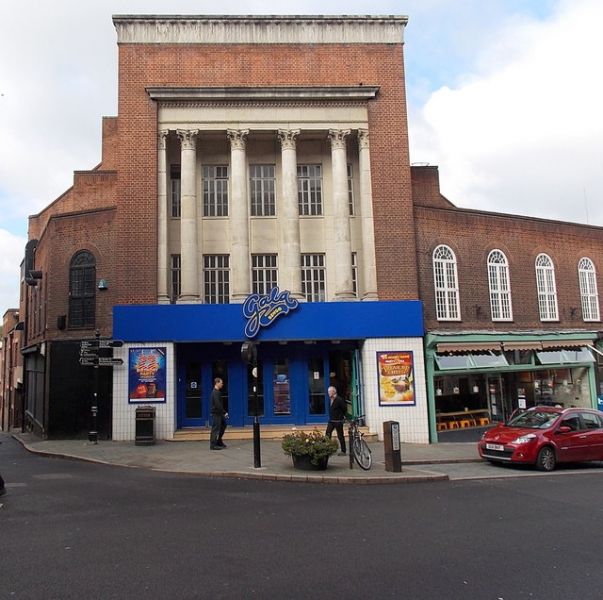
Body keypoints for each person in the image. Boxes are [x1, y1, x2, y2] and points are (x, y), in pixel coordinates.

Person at [325, 385, 347, 455]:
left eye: (329, 392)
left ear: (333, 392)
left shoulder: (339, 399)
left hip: (338, 421)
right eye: (328, 392)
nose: (328, 393)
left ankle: (343, 450)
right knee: (328, 434)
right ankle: (327, 448)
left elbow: (344, 408)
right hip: (331, 420)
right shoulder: (330, 400)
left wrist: (341, 416)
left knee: (340, 435)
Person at [210, 377, 228, 450]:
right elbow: (217, 404)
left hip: (219, 413)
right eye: (221, 383)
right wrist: (224, 412)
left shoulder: (217, 392)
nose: (222, 384)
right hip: (216, 413)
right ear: (217, 383)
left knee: (223, 425)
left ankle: (219, 441)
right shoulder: (215, 392)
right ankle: (213, 445)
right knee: (216, 428)